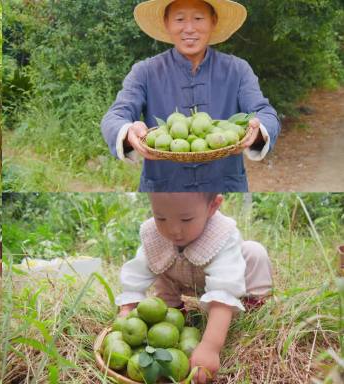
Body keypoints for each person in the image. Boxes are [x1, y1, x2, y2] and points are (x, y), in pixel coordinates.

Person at [101, 0, 280, 192]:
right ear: (166, 22)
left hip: (225, 189)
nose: (189, 28)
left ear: (213, 21)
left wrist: (256, 130)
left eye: (198, 18)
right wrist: (128, 132)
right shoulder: (145, 72)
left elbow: (265, 113)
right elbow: (115, 116)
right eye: (179, 19)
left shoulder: (237, 70)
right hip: (164, 191)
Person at [115, 192, 273, 383]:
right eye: (161, 217)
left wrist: (210, 346)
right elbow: (136, 274)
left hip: (231, 276)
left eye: (186, 219)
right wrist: (127, 309)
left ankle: (254, 301)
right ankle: (173, 311)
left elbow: (224, 290)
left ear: (212, 207)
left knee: (255, 252)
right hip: (179, 277)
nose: (173, 230)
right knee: (158, 262)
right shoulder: (155, 236)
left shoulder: (222, 235)